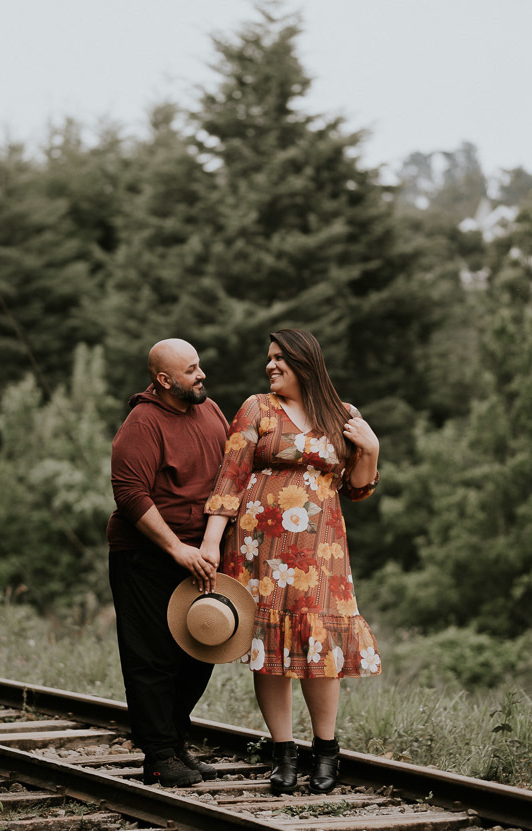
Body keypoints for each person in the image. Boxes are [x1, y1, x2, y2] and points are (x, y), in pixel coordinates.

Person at [200, 329, 381, 795]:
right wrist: (211, 544)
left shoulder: (342, 415)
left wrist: (372, 448)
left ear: (305, 362)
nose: (271, 365)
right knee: (269, 650)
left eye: (280, 357)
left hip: (322, 551)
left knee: (319, 648)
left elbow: (357, 488)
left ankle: (326, 751)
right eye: (269, 358)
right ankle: (283, 752)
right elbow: (230, 478)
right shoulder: (257, 408)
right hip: (260, 549)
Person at [107, 338, 228, 787]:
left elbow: (230, 476)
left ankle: (175, 743)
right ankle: (158, 755)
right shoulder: (143, 423)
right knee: (152, 657)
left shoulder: (210, 411)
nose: (201, 375)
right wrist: (177, 548)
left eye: (199, 366)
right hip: (147, 557)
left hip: (203, 555)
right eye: (191, 369)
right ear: (163, 379)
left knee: (200, 650)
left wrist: (210, 544)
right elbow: (130, 494)